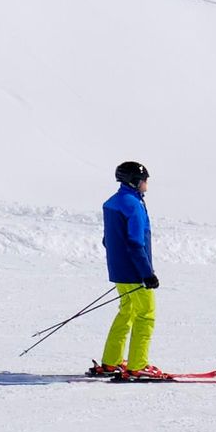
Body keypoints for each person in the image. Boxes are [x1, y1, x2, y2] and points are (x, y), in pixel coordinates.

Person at [90, 160, 161, 378]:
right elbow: (135, 242)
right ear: (135, 181)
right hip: (135, 270)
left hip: (119, 270)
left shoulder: (113, 202)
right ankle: (137, 366)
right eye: (144, 180)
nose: (146, 184)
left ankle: (111, 361)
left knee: (127, 311)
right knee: (146, 314)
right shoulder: (133, 205)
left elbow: (108, 239)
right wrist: (146, 273)